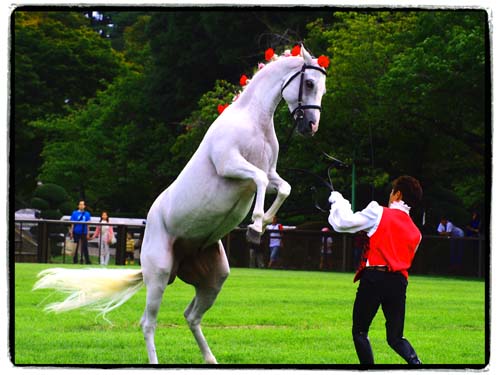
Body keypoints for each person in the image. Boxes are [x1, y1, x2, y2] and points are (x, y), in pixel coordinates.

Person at [328, 176, 423, 365]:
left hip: (375, 278)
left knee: (360, 331)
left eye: (391, 192)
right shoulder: (416, 233)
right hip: (399, 283)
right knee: (396, 338)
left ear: (397, 194)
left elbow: (343, 223)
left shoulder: (378, 212)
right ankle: (417, 365)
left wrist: (338, 201)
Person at [69, 200, 92, 264]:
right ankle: (75, 260)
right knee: (75, 246)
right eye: (80, 204)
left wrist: (88, 233)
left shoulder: (87, 214)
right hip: (76, 231)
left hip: (84, 232)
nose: (81, 206)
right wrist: (71, 232)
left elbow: (88, 224)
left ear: (84, 206)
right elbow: (72, 223)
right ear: (78, 206)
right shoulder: (74, 213)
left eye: (82, 204)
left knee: (85, 246)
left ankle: (87, 261)